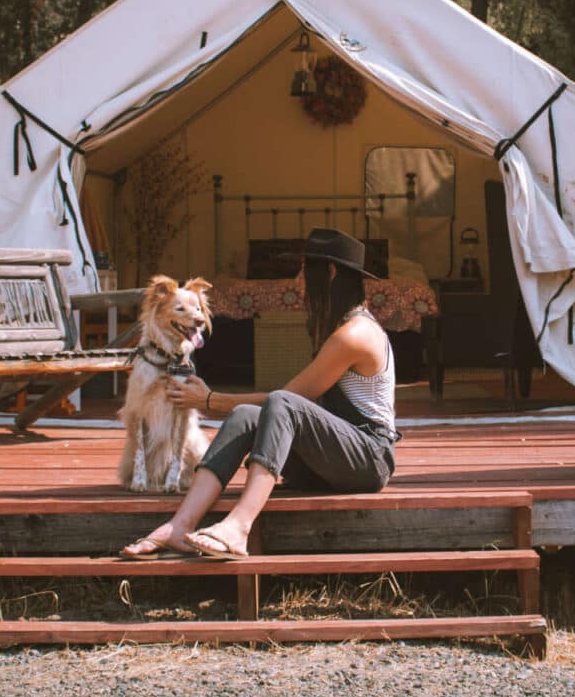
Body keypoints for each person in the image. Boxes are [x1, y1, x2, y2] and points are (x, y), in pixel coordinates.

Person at [119, 228, 398, 560]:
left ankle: (239, 525)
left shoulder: (355, 333)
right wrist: (223, 405)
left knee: (281, 402)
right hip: (332, 458)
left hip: (367, 459)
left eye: (306, 272)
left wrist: (209, 400)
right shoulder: (340, 326)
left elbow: (292, 398)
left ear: (332, 273)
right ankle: (180, 525)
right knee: (244, 416)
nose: (299, 283)